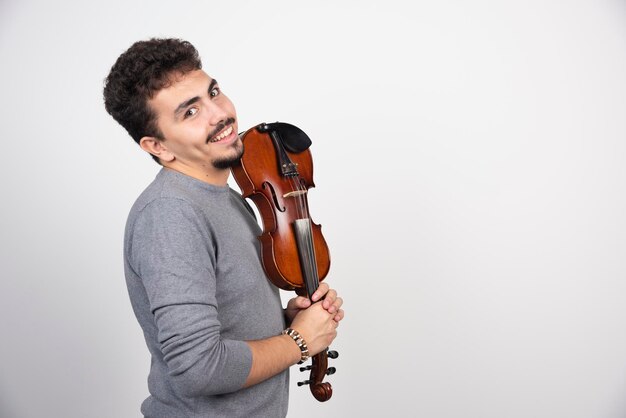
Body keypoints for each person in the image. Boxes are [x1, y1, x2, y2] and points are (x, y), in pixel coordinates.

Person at [103, 38, 344, 417]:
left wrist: (287, 321)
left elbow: (222, 325)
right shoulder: (171, 214)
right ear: (158, 146)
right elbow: (198, 369)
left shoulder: (224, 197)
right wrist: (299, 341)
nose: (220, 114)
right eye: (190, 112)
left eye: (213, 92)